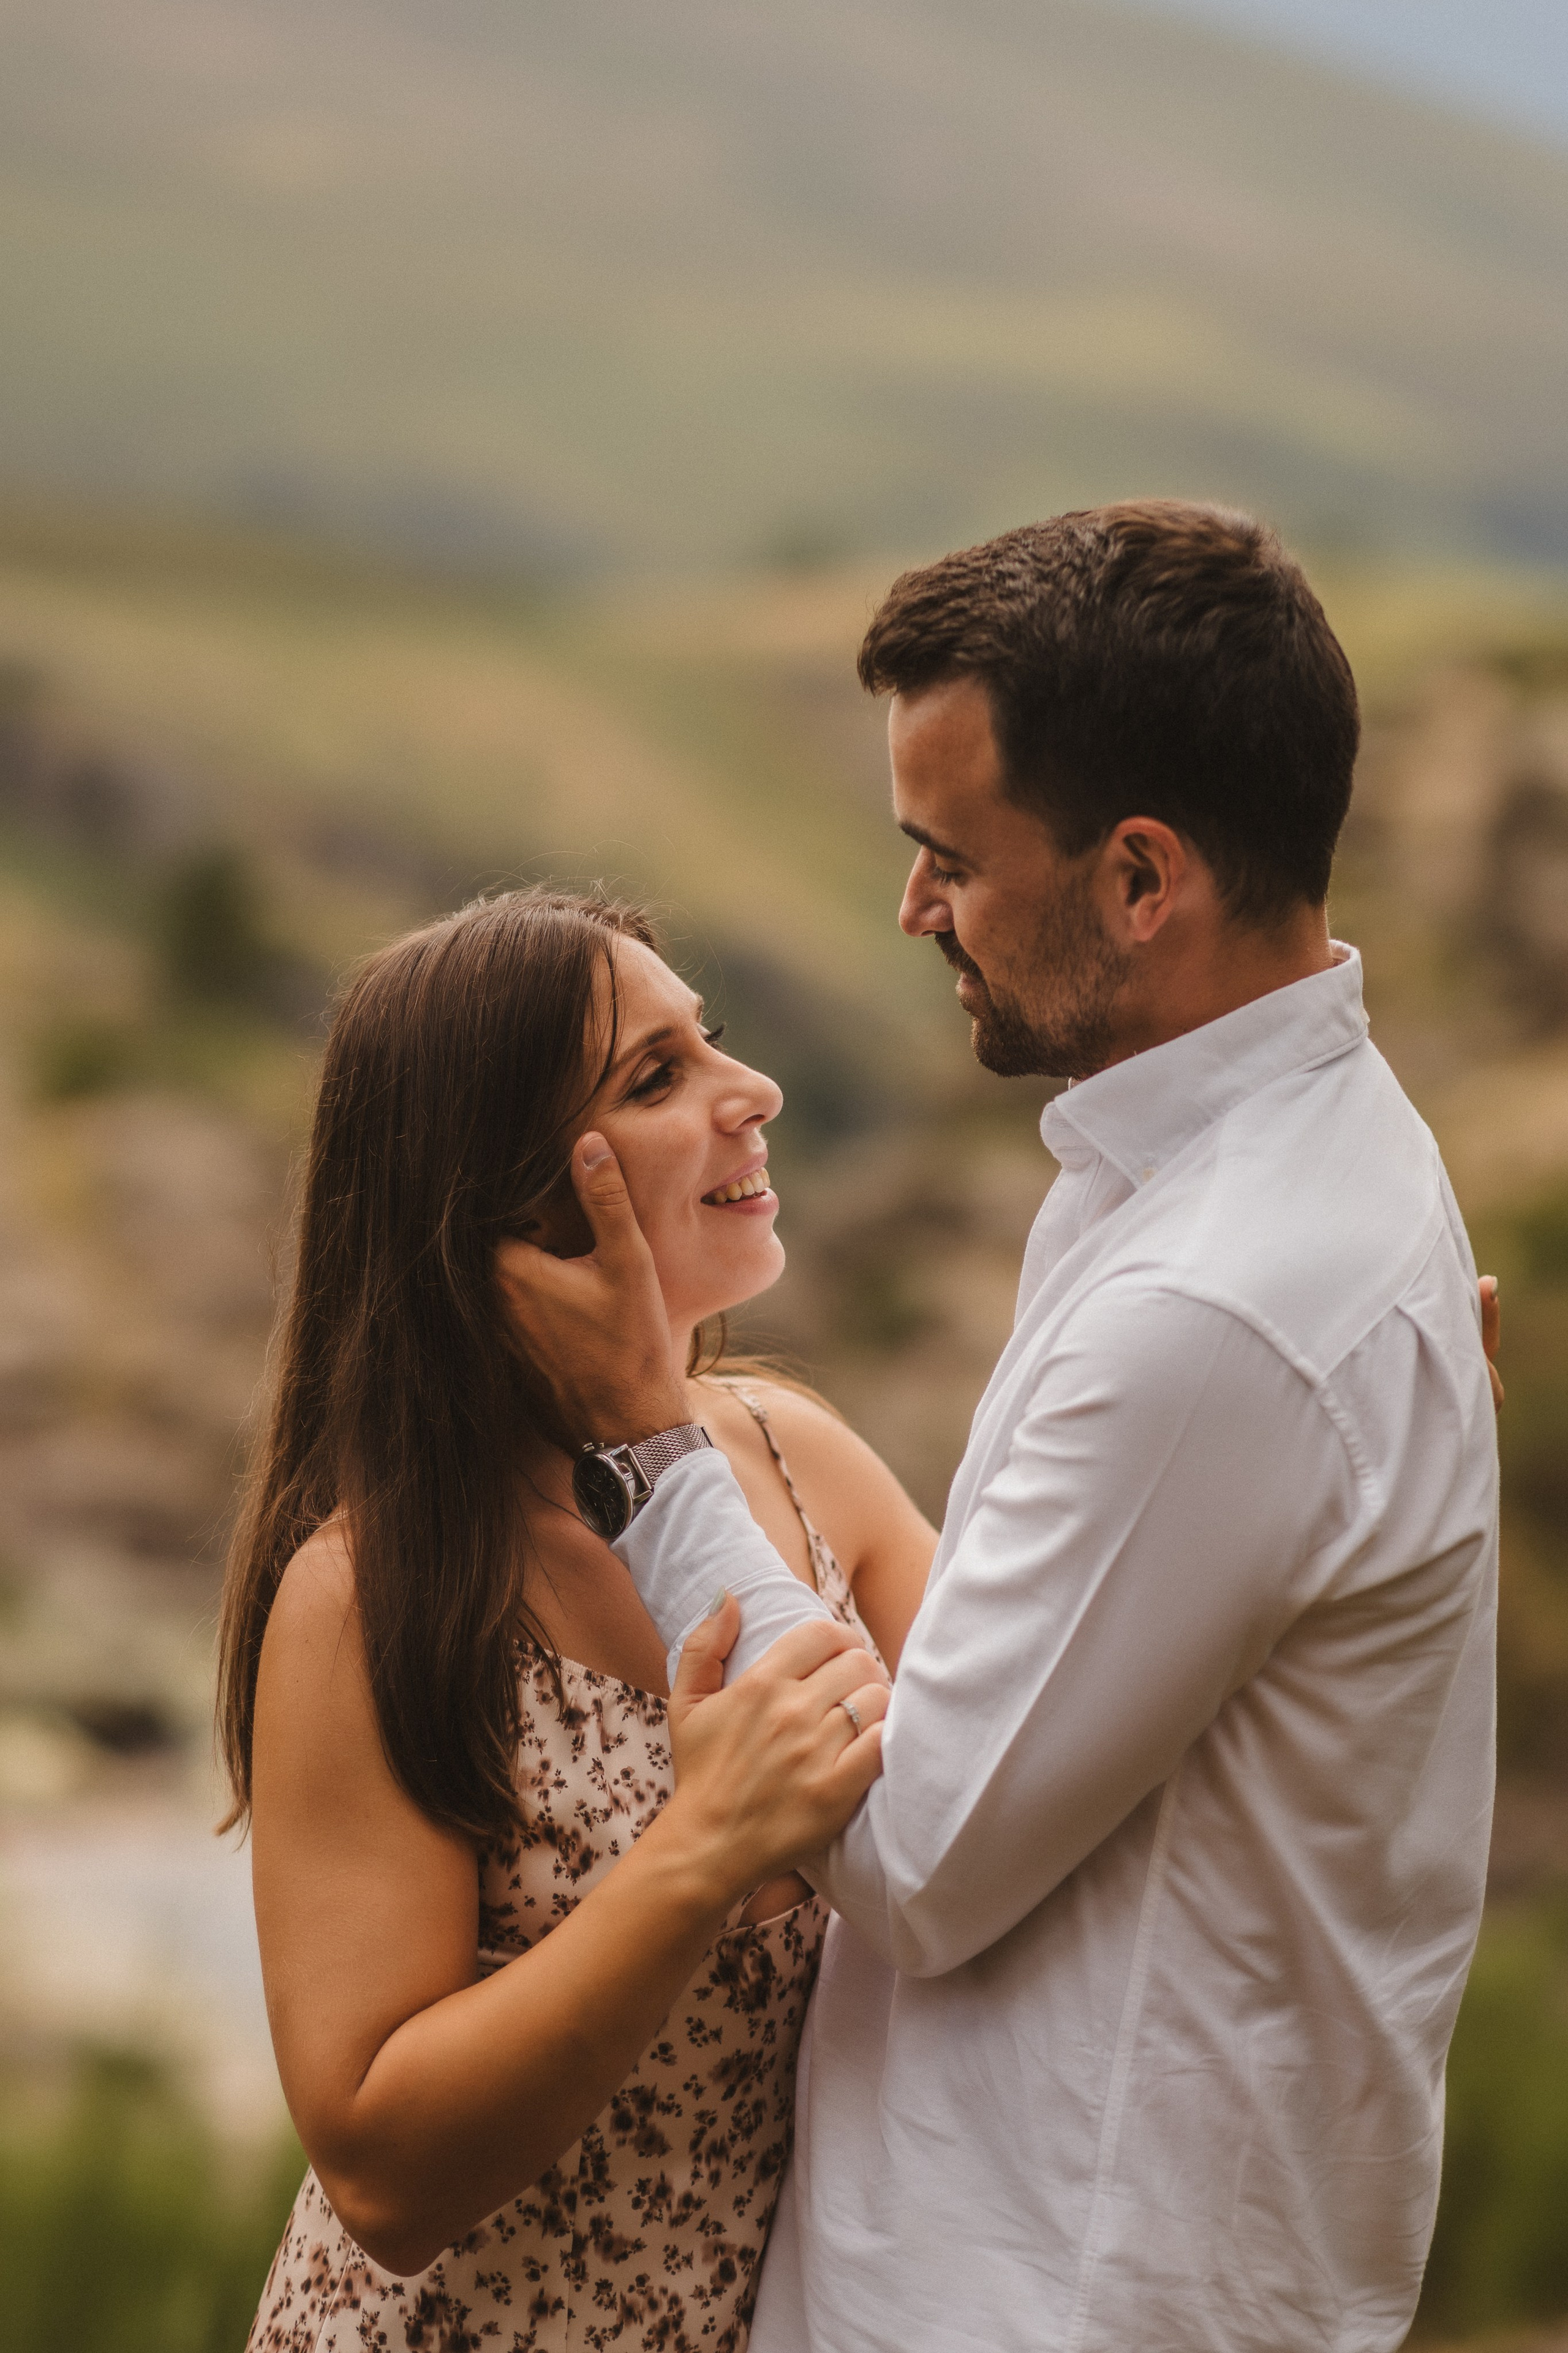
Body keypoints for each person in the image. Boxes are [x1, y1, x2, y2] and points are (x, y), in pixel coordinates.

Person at [499, 502, 1503, 2353]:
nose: (912, 909)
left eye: (948, 856)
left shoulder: (1223, 1302)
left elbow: (914, 1862)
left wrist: (652, 1444)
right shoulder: (1240, 1185)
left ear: (1142, 879)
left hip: (1056, 2299)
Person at [217, 889, 936, 2351]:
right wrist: (703, 1853)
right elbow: (379, 2168)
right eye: (656, 1078)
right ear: (506, 1199)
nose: (755, 1095)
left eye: (709, 1042)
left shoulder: (806, 1465)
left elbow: (1040, 1766)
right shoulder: (376, 1596)